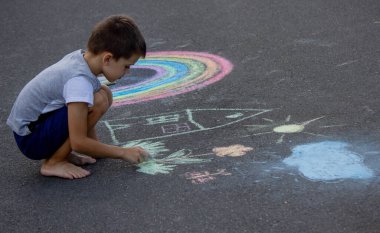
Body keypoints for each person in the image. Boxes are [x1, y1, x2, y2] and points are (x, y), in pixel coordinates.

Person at [7, 15, 150, 179]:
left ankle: (75, 152)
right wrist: (123, 153)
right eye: (126, 66)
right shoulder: (79, 82)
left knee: (104, 93)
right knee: (97, 100)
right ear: (108, 58)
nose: (127, 72)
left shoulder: (81, 59)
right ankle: (53, 162)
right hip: (31, 139)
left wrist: (97, 149)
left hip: (34, 127)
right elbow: (78, 143)